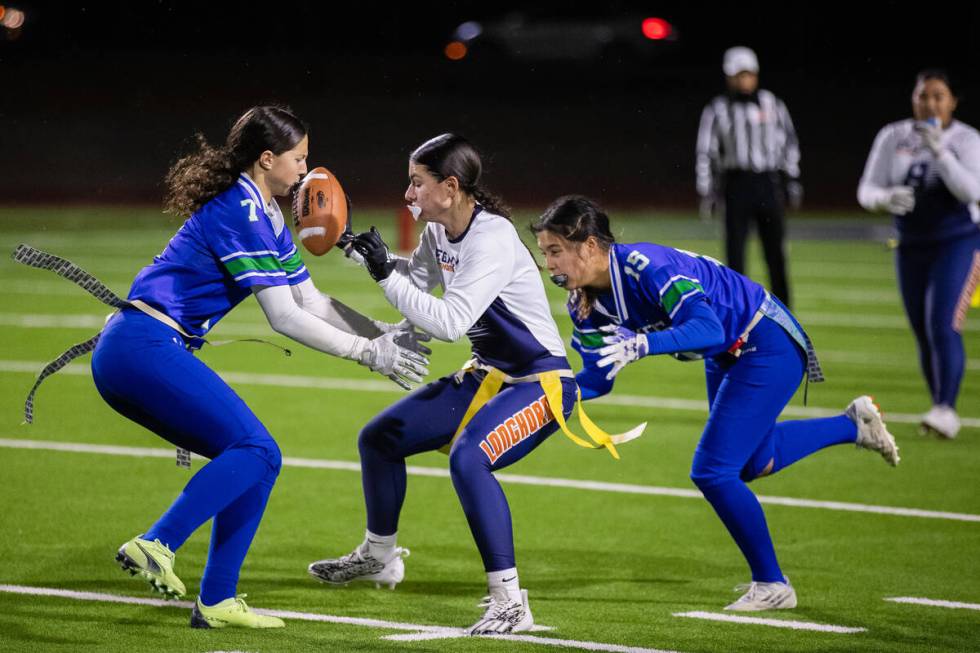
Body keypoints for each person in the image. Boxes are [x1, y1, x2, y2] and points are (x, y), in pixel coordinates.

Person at [84, 106, 429, 628]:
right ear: (267, 159)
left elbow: (311, 300)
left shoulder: (265, 214)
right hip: (142, 348)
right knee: (258, 449)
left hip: (144, 351)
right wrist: (366, 355)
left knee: (256, 461)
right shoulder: (240, 210)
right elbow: (285, 318)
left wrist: (379, 333)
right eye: (298, 158)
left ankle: (218, 599)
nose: (306, 170)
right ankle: (157, 542)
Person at [531, 195, 900, 611]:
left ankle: (772, 584)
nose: (550, 265)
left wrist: (644, 344)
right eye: (545, 254)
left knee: (712, 471)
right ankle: (853, 425)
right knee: (750, 464)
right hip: (727, 351)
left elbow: (707, 328)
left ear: (590, 246)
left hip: (764, 340)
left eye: (556, 252)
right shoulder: (585, 305)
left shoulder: (647, 266)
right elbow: (598, 379)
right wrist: (534, 396)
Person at [307, 133, 587, 635]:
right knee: (380, 438)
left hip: (540, 384)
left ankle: (509, 602)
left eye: (417, 183)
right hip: (489, 376)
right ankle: (379, 555)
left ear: (451, 187)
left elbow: (450, 321)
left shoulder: (493, 238)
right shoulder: (440, 234)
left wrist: (380, 275)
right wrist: (364, 252)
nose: (409, 194)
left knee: (469, 458)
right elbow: (415, 285)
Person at [858, 69, 980, 439]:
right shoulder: (893, 135)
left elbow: (971, 191)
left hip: (958, 242)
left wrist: (940, 150)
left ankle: (946, 408)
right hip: (910, 244)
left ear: (952, 102)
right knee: (923, 331)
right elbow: (867, 188)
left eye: (938, 96)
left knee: (943, 323)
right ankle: (939, 405)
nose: (929, 103)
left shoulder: (968, 139)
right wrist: (885, 198)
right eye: (923, 95)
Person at [696, 46, 801, 308]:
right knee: (736, 254)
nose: (744, 80)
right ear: (729, 77)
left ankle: (785, 311)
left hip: (767, 182)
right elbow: (705, 150)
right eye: (738, 75)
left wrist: (792, 178)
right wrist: (706, 190)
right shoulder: (717, 109)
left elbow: (789, 142)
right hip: (736, 183)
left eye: (748, 74)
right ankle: (738, 310)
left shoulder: (772, 103)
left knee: (776, 252)